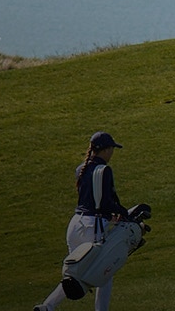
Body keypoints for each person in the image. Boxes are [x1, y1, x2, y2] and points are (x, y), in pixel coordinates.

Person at [36, 132, 129, 311]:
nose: (112, 153)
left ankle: (47, 307)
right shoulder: (104, 170)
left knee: (74, 274)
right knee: (104, 271)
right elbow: (105, 202)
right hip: (92, 227)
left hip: (75, 225)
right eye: (111, 149)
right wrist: (122, 212)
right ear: (106, 149)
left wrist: (110, 215)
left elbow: (90, 201)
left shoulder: (81, 169)